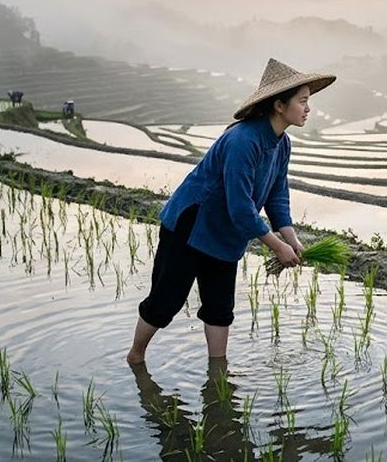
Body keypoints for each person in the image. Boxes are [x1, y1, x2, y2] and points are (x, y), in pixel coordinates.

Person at [126, 58, 336, 364]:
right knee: (165, 302)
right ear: (279, 105)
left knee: (219, 308)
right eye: (302, 101)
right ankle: (135, 357)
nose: (308, 109)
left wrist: (292, 239)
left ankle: (218, 376)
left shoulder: (282, 143)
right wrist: (277, 247)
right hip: (191, 225)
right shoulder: (243, 141)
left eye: (308, 102)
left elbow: (277, 196)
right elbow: (240, 207)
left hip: (226, 233)